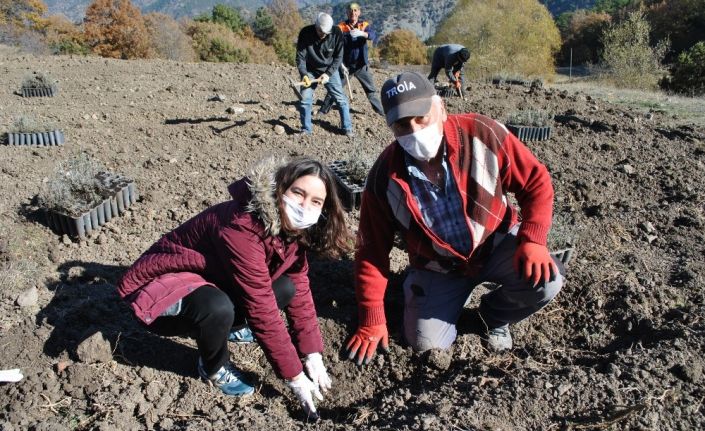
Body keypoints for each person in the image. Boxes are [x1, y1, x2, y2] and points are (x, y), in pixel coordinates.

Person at [345, 71, 565, 365]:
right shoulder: (385, 177)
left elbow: (535, 181)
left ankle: (492, 317)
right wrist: (372, 317)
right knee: (426, 345)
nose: (414, 130)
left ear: (441, 109)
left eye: (421, 117)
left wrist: (533, 239)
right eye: (401, 124)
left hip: (495, 244)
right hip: (438, 266)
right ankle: (430, 296)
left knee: (547, 282)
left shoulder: (482, 134)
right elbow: (371, 251)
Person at [118, 157, 350, 419]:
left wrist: (312, 354)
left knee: (285, 287)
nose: (304, 206)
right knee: (217, 308)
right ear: (280, 189)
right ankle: (213, 366)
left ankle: (231, 328)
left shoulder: (294, 231)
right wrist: (294, 377)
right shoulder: (242, 227)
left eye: (316, 201)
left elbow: (300, 288)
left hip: (214, 278)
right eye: (298, 193)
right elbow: (261, 308)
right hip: (162, 293)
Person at [318, 2, 384, 117]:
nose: (352, 13)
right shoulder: (341, 27)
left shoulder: (364, 25)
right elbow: (333, 45)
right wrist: (341, 65)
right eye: (350, 10)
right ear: (347, 13)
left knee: (371, 91)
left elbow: (373, 35)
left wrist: (363, 34)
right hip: (346, 67)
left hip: (361, 66)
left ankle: (381, 112)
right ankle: (323, 110)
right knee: (334, 88)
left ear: (359, 12)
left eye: (355, 10)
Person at [296, 12, 353, 137]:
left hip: (329, 69)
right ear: (316, 26)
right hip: (310, 70)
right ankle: (306, 130)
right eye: (321, 31)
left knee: (341, 99)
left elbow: (339, 57)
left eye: (326, 33)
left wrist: (328, 74)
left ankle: (347, 128)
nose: (323, 35)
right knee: (305, 99)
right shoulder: (305, 33)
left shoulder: (337, 33)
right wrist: (304, 74)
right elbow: (300, 57)